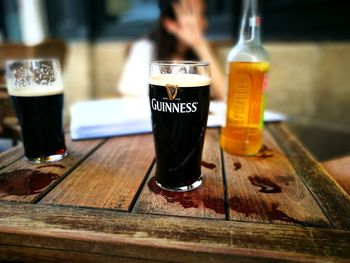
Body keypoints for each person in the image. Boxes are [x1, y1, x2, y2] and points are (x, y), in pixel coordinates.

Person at [117, 0, 225, 100]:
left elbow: (226, 97)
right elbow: (129, 97)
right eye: (194, 14)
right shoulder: (145, 48)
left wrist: (200, 46)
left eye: (203, 14)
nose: (205, 23)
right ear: (170, 24)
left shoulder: (199, 55)